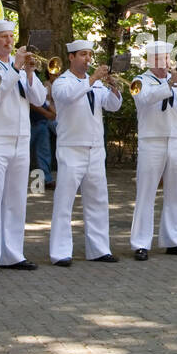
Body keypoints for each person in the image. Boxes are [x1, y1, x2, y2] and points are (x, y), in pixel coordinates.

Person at [0, 18, 44, 275]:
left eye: (11, 36)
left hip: (20, 140)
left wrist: (30, 72)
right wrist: (16, 67)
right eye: (3, 37)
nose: (9, 41)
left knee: (16, 201)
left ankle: (12, 254)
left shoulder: (20, 66)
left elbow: (39, 99)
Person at [50, 40, 123, 265]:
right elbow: (69, 97)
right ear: (71, 57)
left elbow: (112, 106)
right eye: (82, 55)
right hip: (71, 147)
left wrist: (113, 87)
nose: (88, 59)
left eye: (89, 54)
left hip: (95, 148)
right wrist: (92, 80)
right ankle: (60, 252)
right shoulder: (62, 81)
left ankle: (99, 249)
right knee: (65, 201)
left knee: (98, 200)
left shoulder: (97, 84)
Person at [129, 40, 177, 260]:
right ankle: (140, 243)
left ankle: (174, 240)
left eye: (167, 58)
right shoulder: (140, 80)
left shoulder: (176, 81)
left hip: (176, 141)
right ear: (150, 60)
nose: (165, 62)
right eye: (160, 58)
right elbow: (145, 98)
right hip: (152, 141)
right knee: (146, 193)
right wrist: (169, 85)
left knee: (176, 193)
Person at [29, 75, 57, 189]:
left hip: (42, 123)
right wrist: (47, 114)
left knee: (44, 153)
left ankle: (47, 179)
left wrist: (54, 114)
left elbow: (44, 102)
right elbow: (32, 102)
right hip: (30, 124)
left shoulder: (37, 81)